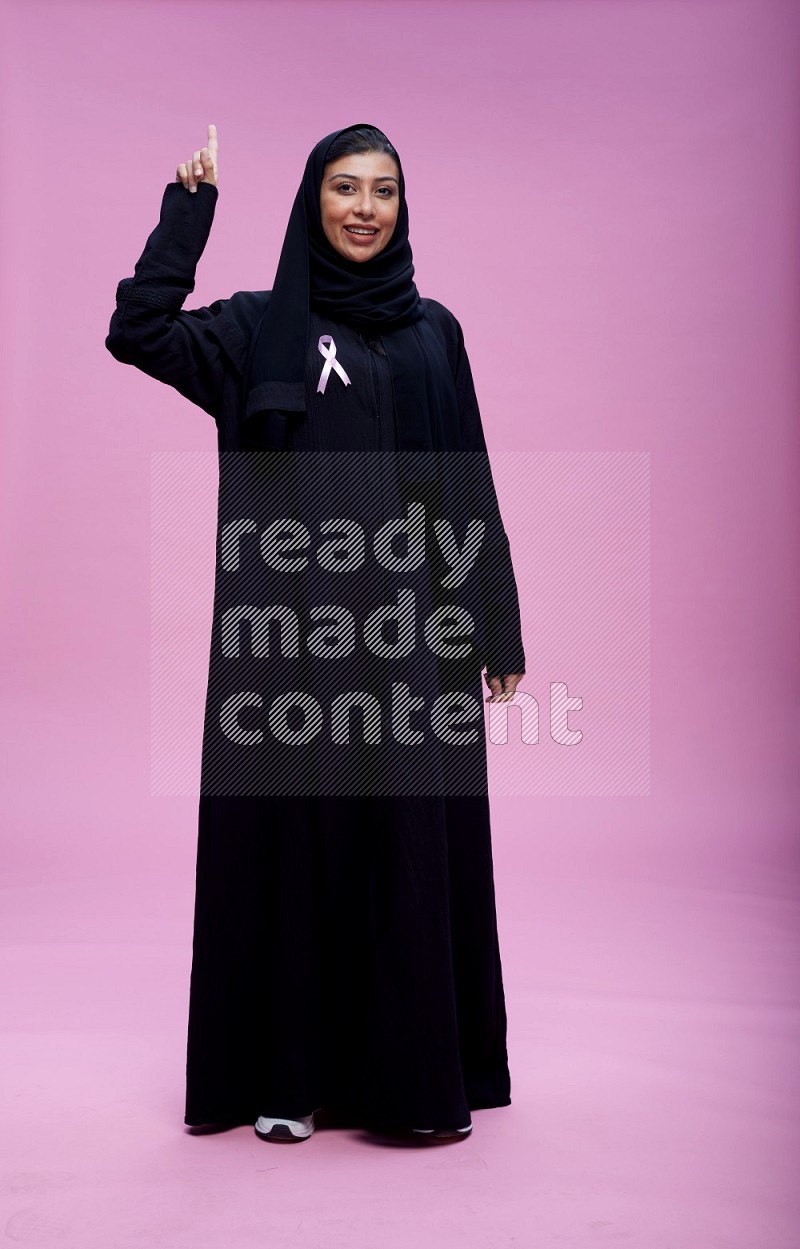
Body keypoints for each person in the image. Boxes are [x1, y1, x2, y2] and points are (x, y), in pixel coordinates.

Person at [105, 122, 526, 1145]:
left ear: (402, 207)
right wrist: (185, 215)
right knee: (298, 849)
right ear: (312, 201)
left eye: (383, 190)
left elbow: (459, 486)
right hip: (289, 648)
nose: (364, 208)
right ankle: (287, 1077)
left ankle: (412, 1086)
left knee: (406, 853)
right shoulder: (259, 330)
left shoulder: (432, 331)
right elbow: (141, 330)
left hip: (412, 643)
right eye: (344, 188)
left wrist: (490, 626)